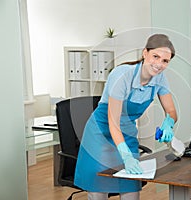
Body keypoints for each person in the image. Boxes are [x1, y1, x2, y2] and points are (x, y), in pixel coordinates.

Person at [74, 33, 178, 200]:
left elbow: (171, 111)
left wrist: (169, 122)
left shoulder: (160, 79)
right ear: (145, 53)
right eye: (155, 56)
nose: (159, 64)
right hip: (101, 133)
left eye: (165, 61)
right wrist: (127, 156)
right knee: (98, 191)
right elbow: (113, 123)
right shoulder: (122, 75)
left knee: (131, 190)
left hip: (127, 133)